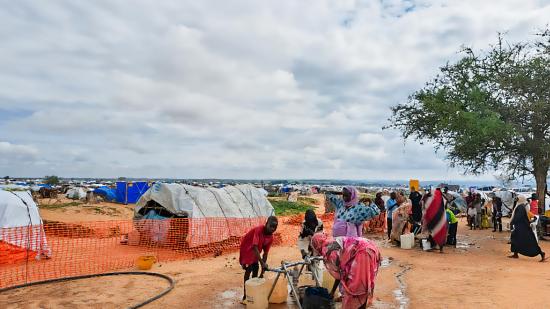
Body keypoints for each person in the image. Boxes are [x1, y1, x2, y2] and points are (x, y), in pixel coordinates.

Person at [311, 233, 381, 309]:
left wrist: (333, 292)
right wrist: (332, 292)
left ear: (316, 245)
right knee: (364, 285)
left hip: (362, 253)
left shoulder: (326, 250)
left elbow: (339, 274)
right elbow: (339, 272)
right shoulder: (332, 240)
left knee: (355, 289)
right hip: (371, 247)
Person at [239, 216, 278, 302]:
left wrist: (263, 269)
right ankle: (245, 296)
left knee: (255, 270)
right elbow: (254, 247)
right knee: (248, 270)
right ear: (266, 224)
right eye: (271, 226)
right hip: (247, 248)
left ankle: (252, 294)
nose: (272, 229)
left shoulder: (270, 237)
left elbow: (266, 253)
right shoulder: (259, 230)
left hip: (255, 253)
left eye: (275, 227)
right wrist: (262, 263)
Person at [508, 196, 546, 262]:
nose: (516, 200)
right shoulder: (521, 206)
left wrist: (512, 222)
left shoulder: (521, 207)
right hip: (519, 227)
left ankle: (541, 253)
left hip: (522, 228)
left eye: (518, 199)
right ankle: (515, 254)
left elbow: (518, 217)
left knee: (529, 241)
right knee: (515, 239)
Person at [422, 188, 447, 252]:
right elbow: (422, 200)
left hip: (439, 217)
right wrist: (428, 194)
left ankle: (439, 248)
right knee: (432, 232)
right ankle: (432, 246)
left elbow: (448, 200)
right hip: (432, 218)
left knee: (440, 232)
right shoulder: (430, 198)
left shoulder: (440, 198)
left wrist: (441, 194)